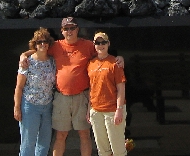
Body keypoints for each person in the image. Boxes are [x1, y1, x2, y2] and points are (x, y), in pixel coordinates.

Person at [19, 17, 124, 156]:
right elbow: (38, 49)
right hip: (61, 97)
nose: (69, 31)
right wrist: (23, 55)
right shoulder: (55, 46)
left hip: (82, 96)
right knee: (60, 135)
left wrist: (119, 57)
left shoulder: (87, 45)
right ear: (62, 31)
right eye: (66, 28)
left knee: (84, 134)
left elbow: (102, 50)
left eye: (72, 28)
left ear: (77, 29)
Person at [14, 28, 56, 156]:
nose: (43, 44)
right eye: (39, 42)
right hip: (30, 106)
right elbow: (19, 87)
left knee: (44, 143)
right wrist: (17, 107)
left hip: (47, 106)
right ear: (35, 44)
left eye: (45, 41)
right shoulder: (27, 62)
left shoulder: (52, 61)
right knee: (28, 143)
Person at [87, 32, 127, 156]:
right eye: (97, 43)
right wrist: (89, 109)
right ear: (94, 45)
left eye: (103, 42)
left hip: (112, 111)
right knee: (102, 150)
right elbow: (91, 88)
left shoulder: (115, 63)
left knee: (118, 149)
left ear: (108, 44)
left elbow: (121, 88)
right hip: (96, 111)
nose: (101, 45)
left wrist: (119, 109)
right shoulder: (91, 63)